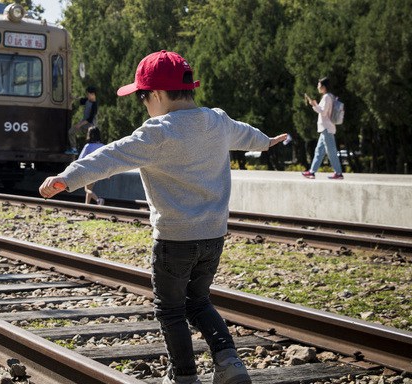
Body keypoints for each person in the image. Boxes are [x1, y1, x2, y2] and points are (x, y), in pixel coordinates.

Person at [40, 50, 287, 384]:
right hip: (213, 237)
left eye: (143, 98)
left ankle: (184, 376)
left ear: (155, 94)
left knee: (170, 309)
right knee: (199, 301)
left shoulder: (156, 132)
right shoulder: (216, 120)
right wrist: (267, 141)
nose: (144, 106)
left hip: (174, 240)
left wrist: (66, 179)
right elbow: (245, 134)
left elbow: (108, 157)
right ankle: (229, 362)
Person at [301, 77, 344, 180]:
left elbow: (323, 112)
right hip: (326, 128)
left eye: (319, 85)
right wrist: (316, 105)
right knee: (319, 151)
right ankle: (312, 172)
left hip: (326, 128)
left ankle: (338, 173)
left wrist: (314, 105)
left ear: (324, 87)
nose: (317, 87)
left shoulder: (326, 97)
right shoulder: (330, 96)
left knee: (331, 151)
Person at [66, 86, 98, 155]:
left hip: (90, 127)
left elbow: (90, 119)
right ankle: (74, 149)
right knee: (71, 132)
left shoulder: (94, 105)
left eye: (88, 94)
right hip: (84, 124)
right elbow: (80, 99)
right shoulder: (87, 100)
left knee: (89, 142)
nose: (87, 96)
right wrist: (73, 97)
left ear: (93, 94)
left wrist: (79, 124)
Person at [78, 126, 105, 205]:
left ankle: (98, 200)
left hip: (88, 170)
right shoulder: (102, 146)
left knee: (86, 189)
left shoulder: (88, 146)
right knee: (89, 188)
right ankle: (87, 205)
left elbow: (80, 158)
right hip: (98, 171)